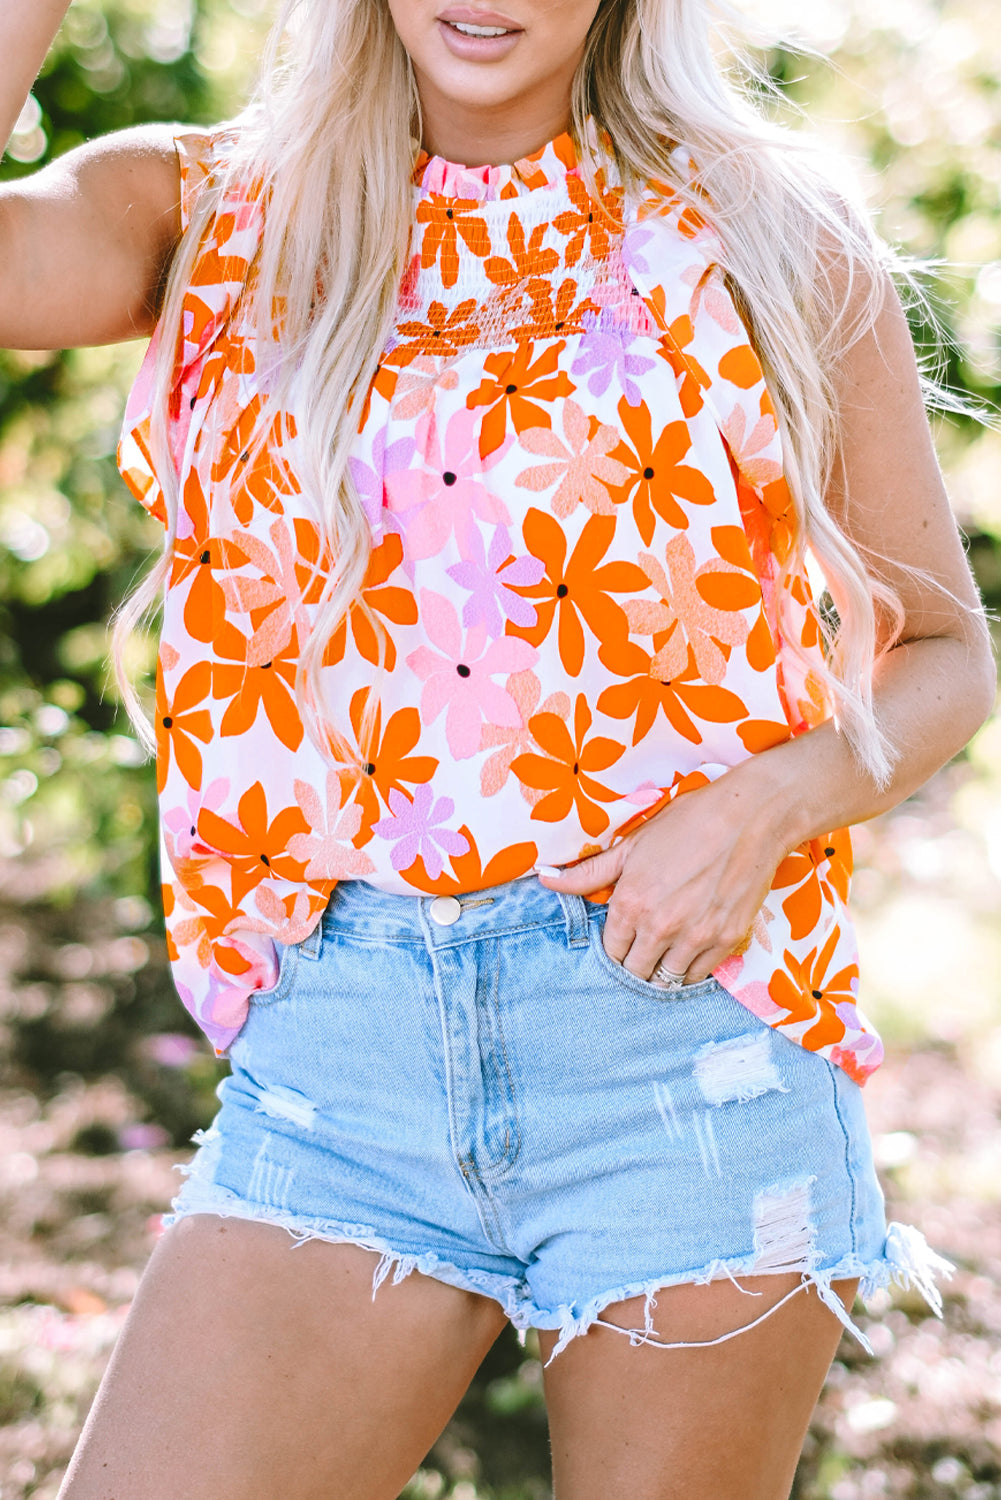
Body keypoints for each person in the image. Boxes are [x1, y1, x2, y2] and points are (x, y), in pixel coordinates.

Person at [2, 0, 995, 1494]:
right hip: (347, 1055)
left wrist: (763, 808)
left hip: (681, 1041)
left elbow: (943, 653)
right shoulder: (208, 208)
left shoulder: (764, 229)